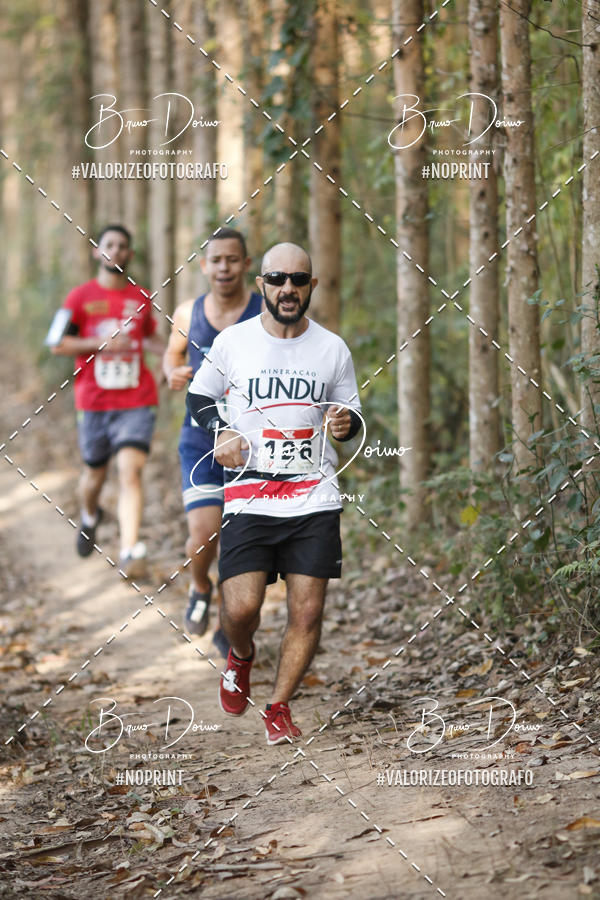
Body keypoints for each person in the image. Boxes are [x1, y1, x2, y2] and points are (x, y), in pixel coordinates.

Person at [186, 242, 362, 745]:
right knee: (242, 610)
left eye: (299, 280)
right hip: (249, 496)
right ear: (261, 283)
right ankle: (240, 654)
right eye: (278, 279)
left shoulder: (332, 348)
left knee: (306, 611)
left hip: (314, 497)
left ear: (311, 286)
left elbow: (350, 420)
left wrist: (344, 423)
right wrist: (221, 430)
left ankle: (279, 705)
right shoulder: (234, 343)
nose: (289, 288)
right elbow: (199, 397)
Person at [163, 228, 262, 652]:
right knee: (204, 535)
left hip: (254, 439)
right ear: (204, 267)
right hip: (199, 437)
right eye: (216, 260)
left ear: (246, 265)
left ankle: (229, 621)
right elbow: (173, 353)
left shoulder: (264, 310)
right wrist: (172, 372)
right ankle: (200, 585)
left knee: (242, 542)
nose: (224, 267)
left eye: (232, 259)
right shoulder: (188, 312)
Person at [50, 224, 164, 578]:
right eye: (109, 245)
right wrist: (97, 344)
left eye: (123, 246)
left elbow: (151, 340)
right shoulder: (78, 297)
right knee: (93, 477)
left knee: (131, 472)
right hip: (94, 401)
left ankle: (130, 551)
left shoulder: (141, 297)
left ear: (129, 254)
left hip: (136, 398)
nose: (116, 250)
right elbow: (57, 344)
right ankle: (89, 515)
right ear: (97, 252)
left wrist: (173, 357)